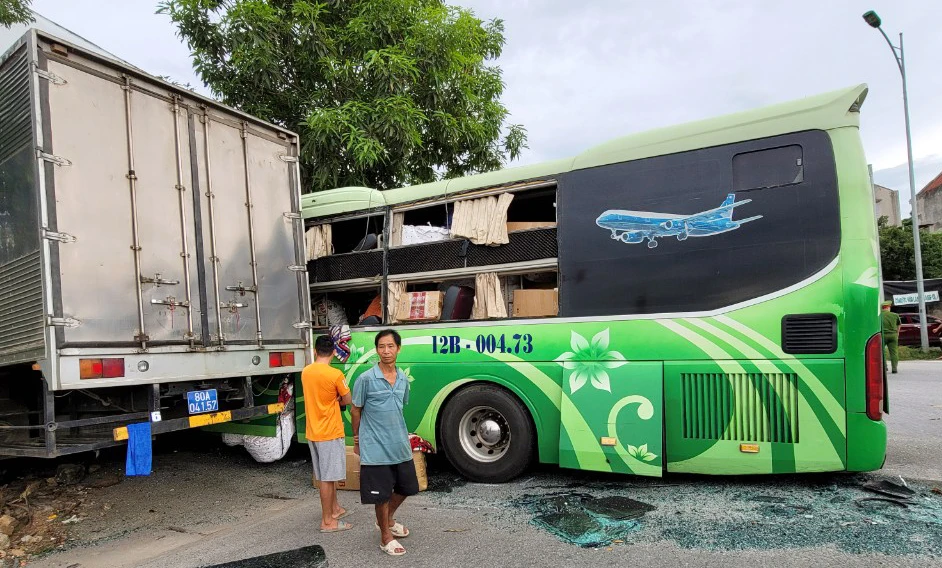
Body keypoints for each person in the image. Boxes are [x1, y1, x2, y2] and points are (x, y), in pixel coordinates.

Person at [350, 329, 419, 557]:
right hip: (375, 446)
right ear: (377, 350)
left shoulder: (402, 379)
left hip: (398, 444)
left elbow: (399, 409)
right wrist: (358, 440)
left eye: (390, 346)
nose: (386, 351)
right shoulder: (366, 379)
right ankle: (385, 538)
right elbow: (356, 410)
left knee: (408, 486)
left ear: (398, 349)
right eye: (381, 347)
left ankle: (386, 519)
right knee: (380, 494)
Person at [301, 335, 353, 532]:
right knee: (327, 478)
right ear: (333, 352)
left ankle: (335, 509)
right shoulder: (335, 375)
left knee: (325, 474)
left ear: (315, 351)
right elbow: (347, 399)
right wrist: (337, 399)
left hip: (313, 431)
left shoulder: (306, 372)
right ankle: (328, 521)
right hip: (330, 431)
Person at [880, 301, 901, 374]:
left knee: (882, 352)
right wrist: (897, 333)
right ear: (888, 307)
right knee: (894, 352)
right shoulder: (895, 315)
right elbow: (899, 325)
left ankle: (884, 367)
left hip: (882, 335)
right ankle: (894, 369)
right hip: (893, 335)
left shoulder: (879, 315)